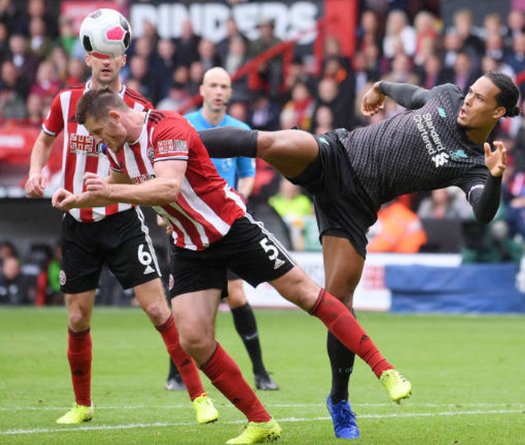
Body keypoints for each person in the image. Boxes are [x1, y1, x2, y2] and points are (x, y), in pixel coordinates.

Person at [52, 88, 412, 444]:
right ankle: (260, 422)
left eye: (99, 132)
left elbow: (167, 189)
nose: (99, 141)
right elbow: (117, 182)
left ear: (116, 117)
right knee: (193, 337)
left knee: (304, 294)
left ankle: (385, 370)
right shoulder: (117, 149)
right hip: (189, 245)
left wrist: (110, 193)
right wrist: (80, 199)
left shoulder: (166, 126)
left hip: (229, 227)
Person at [195, 71, 519, 439]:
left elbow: (482, 210)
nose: (468, 100)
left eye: (479, 98)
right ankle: (174, 141)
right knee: (269, 143)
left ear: (498, 112)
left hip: (354, 207)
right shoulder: (445, 96)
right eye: (470, 92)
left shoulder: (475, 163)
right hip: (337, 154)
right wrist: (381, 88)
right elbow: (408, 92)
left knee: (339, 304)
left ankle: (338, 399)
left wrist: (494, 178)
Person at [24, 34, 217, 425]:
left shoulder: (138, 108)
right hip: (78, 222)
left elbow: (155, 166)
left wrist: (163, 206)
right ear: (89, 58)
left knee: (158, 308)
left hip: (124, 218)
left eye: (113, 56)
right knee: (77, 318)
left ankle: (199, 396)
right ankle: (82, 405)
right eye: (99, 55)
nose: (106, 62)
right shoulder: (66, 101)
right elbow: (44, 141)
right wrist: (34, 171)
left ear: (124, 60)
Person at [164, 67, 279, 392]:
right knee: (187, 302)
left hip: (226, 229)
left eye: (224, 86)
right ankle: (177, 374)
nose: (218, 91)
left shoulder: (240, 130)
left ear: (229, 93)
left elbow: (247, 174)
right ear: (202, 89)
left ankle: (259, 372)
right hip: (188, 228)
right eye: (213, 85)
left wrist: (238, 200)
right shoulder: (183, 125)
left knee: (238, 296)